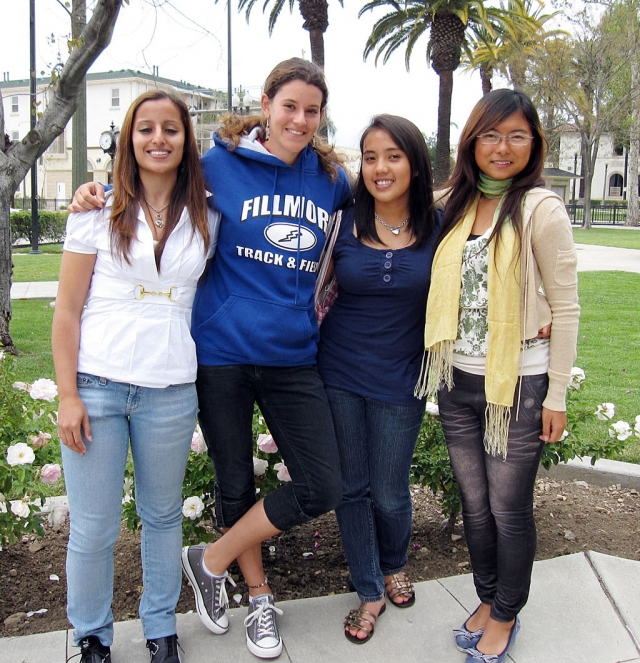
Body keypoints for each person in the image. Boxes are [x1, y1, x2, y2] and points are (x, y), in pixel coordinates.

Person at [68, 58, 352, 660]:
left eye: (312, 110)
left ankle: (211, 559)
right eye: (289, 106)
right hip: (218, 356)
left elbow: (392, 189)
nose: (300, 119)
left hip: (292, 356)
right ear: (266, 103)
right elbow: (146, 183)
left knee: (324, 482)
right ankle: (257, 599)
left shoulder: (331, 179)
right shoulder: (216, 166)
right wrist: (94, 190)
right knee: (233, 484)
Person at [53, 90, 219, 663]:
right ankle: (93, 636)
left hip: (170, 389)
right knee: (94, 528)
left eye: (170, 129)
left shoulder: (207, 212)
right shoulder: (95, 211)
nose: (157, 139)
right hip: (96, 387)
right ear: (129, 138)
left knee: (162, 516)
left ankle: (159, 628)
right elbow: (67, 311)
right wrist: (68, 394)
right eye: (145, 128)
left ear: (186, 140)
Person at [415, 89, 580, 663]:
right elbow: (384, 188)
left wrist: (556, 393)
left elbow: (567, 307)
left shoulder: (541, 208)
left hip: (519, 385)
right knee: (474, 506)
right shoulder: (452, 203)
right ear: (471, 141)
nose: (502, 147)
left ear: (534, 143)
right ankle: (489, 598)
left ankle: (506, 614)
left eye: (516, 135)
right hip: (456, 381)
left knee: (509, 510)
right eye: (490, 134)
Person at [315, 115, 440, 643]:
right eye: (369, 157)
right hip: (339, 371)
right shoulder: (340, 222)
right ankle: (368, 588)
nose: (381, 168)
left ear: (414, 164)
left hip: (402, 379)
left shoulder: (441, 226)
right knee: (352, 487)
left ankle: (395, 562)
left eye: (393, 156)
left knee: (389, 491)